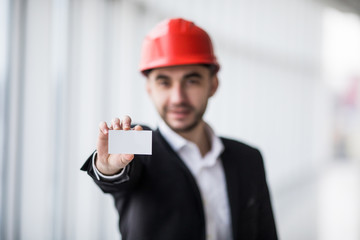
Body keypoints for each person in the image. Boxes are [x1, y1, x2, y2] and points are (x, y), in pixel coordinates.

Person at [81, 18, 278, 240]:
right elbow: (114, 172)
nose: (178, 98)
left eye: (191, 81)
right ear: (149, 89)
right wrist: (107, 168)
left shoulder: (248, 159)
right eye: (164, 82)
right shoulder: (138, 146)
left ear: (213, 85)